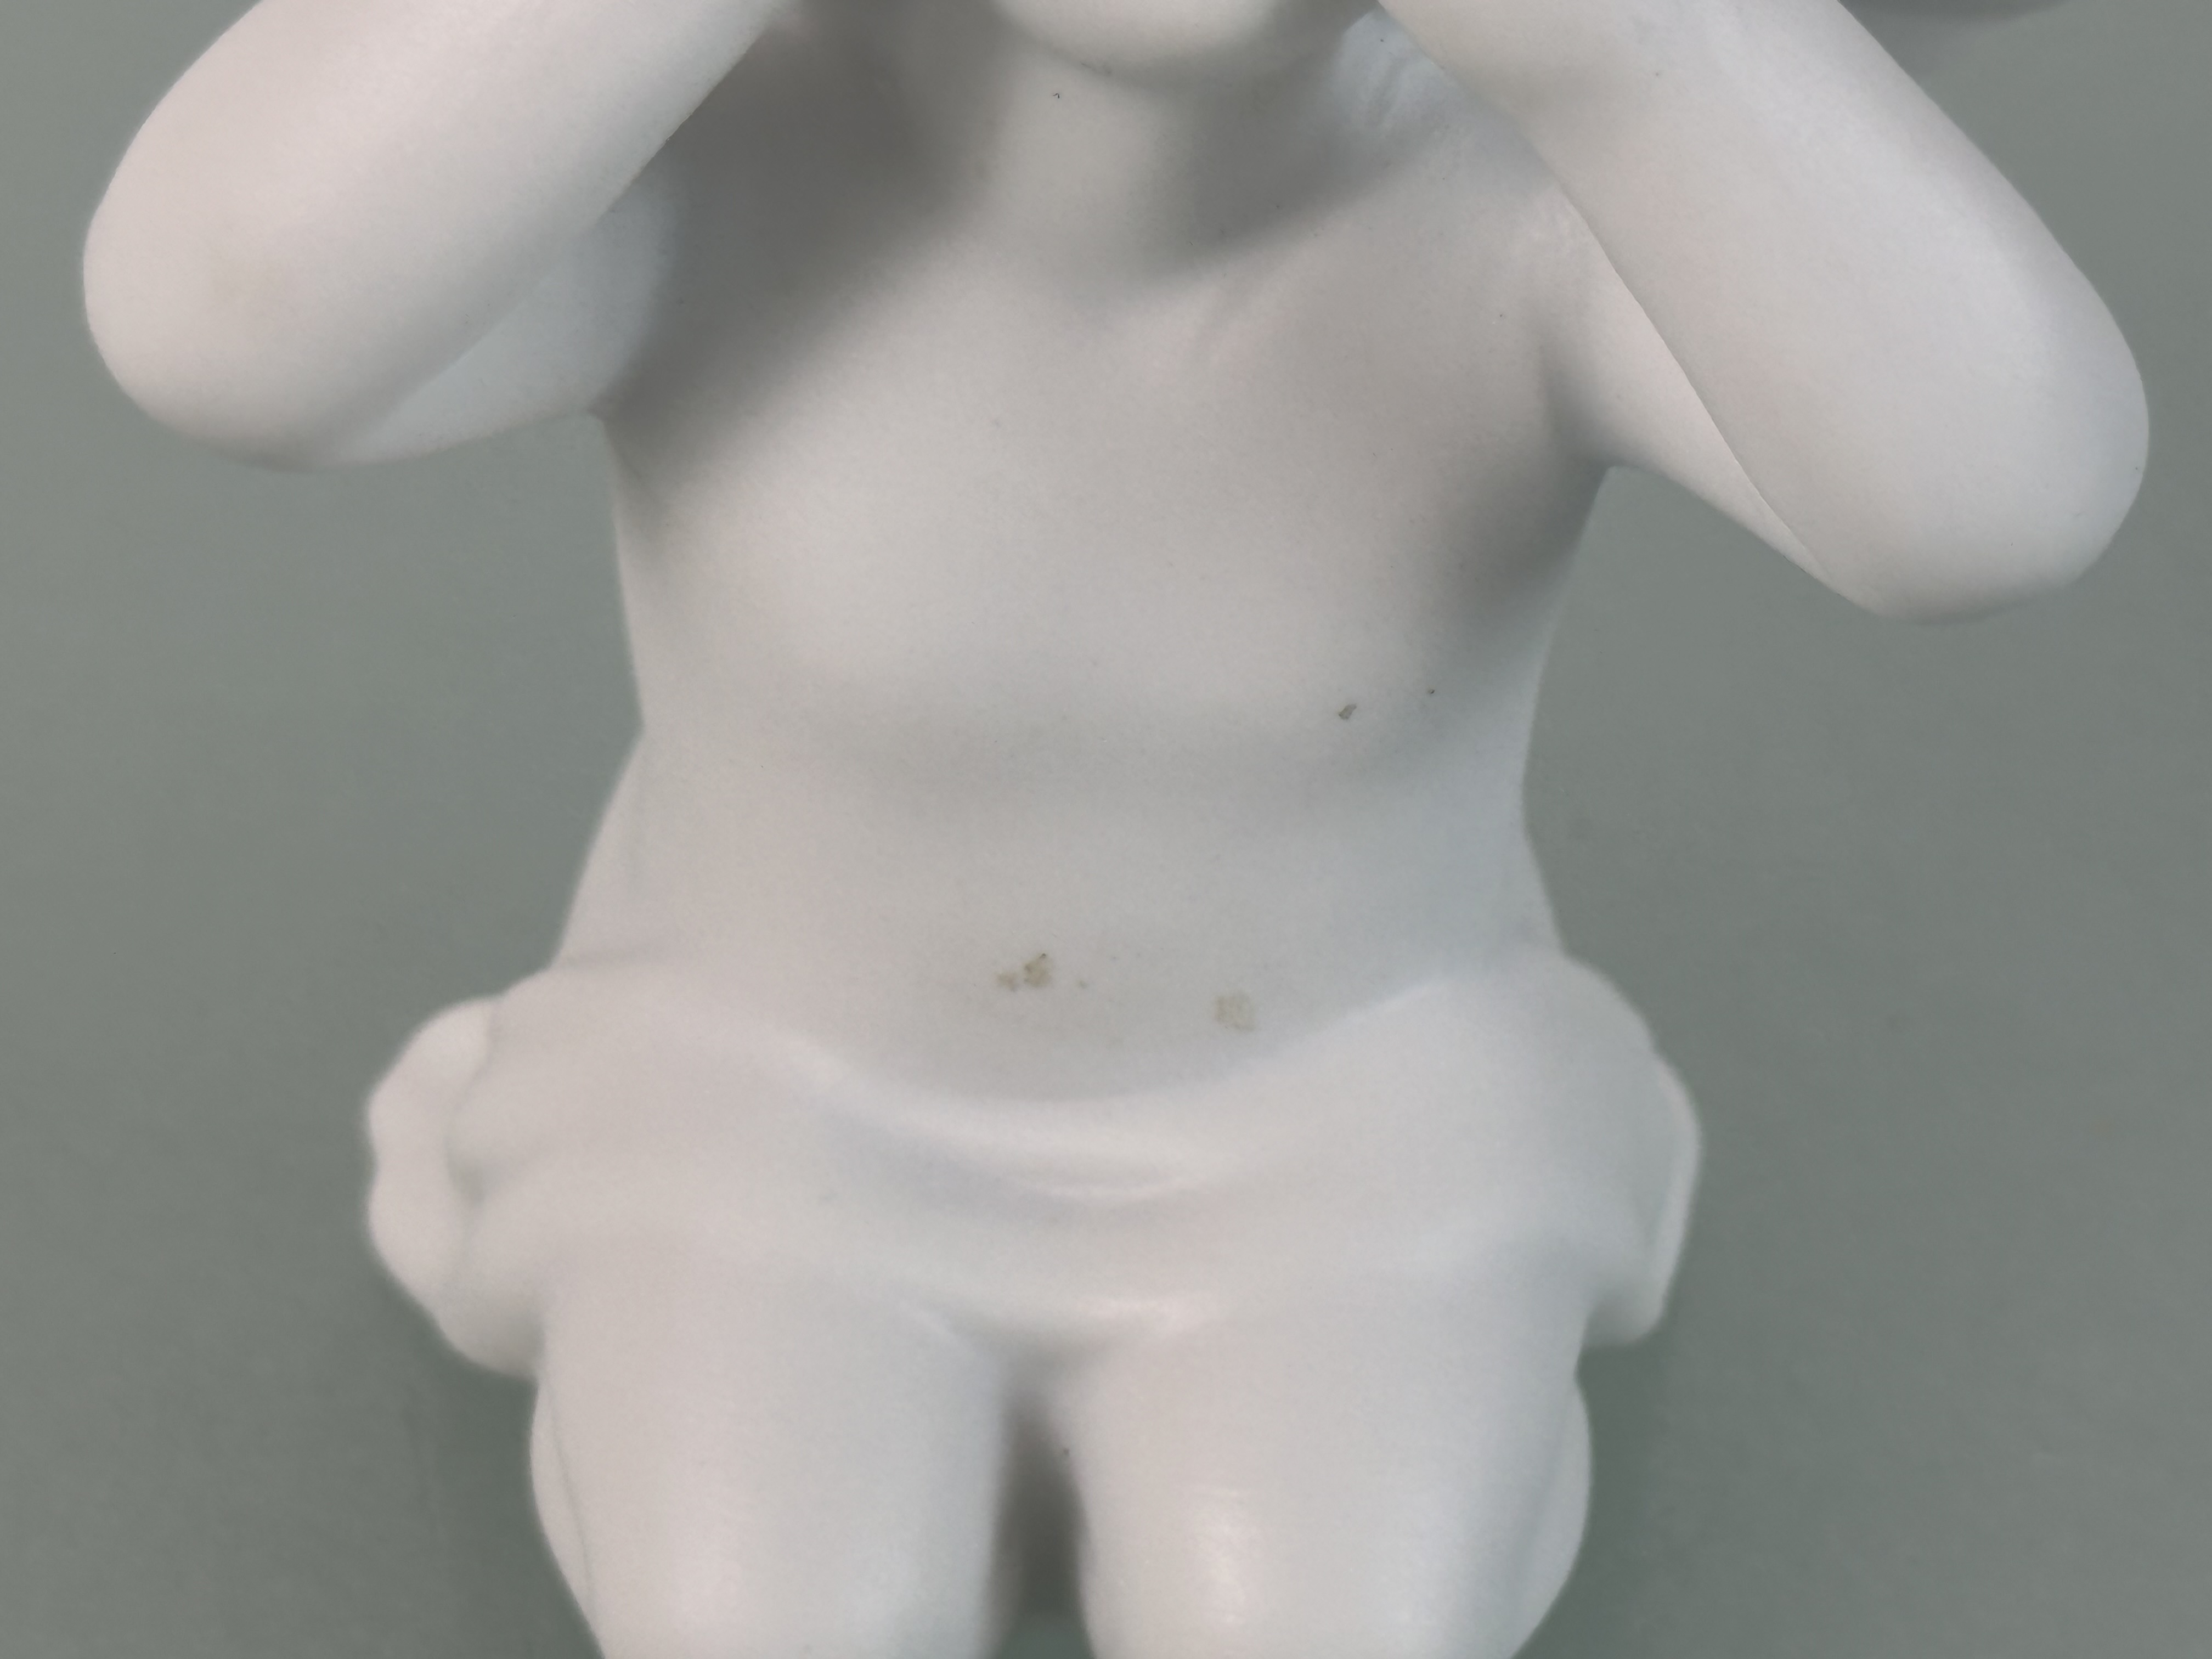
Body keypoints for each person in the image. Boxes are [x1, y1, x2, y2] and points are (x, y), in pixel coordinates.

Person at [85, 2, 2144, 1655]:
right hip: (778, 1098)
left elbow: (1987, 502)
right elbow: (225, 326)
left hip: (1339, 1119)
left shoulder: (1504, 210)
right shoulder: (741, 161)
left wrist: (1634, 46)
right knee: (767, 1614)